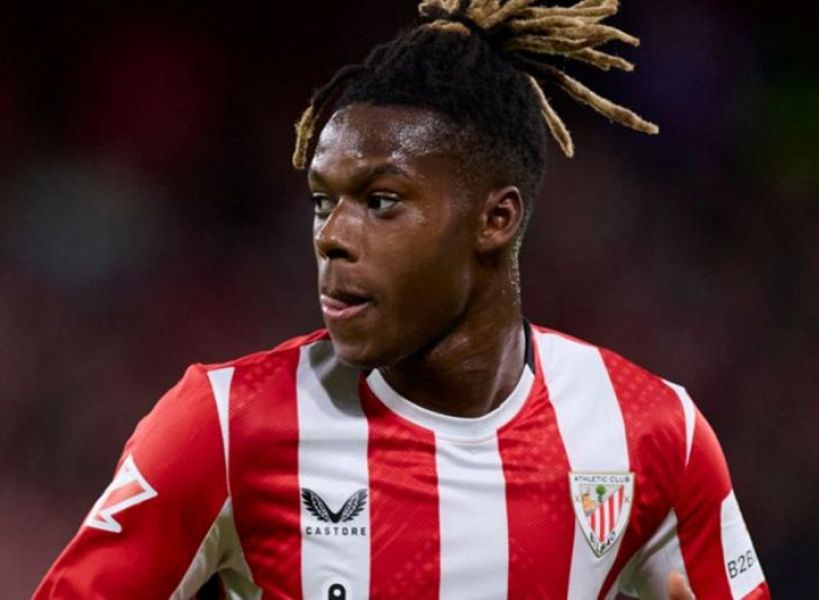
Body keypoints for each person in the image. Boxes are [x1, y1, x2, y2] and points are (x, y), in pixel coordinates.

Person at [35, 1, 770, 598]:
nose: (332, 237)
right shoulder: (224, 426)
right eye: (323, 202)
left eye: (381, 200)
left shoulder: (653, 434)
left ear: (495, 219)